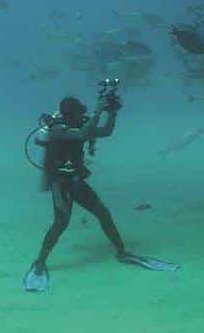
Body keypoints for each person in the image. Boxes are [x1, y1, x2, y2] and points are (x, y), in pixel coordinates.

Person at [23, 88, 178, 292]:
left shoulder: (79, 123)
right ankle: (40, 261)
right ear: (69, 115)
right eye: (78, 113)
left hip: (76, 180)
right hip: (60, 182)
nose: (81, 116)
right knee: (61, 223)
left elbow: (105, 131)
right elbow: (81, 134)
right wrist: (97, 111)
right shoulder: (57, 129)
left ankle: (122, 251)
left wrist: (112, 112)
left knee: (103, 213)